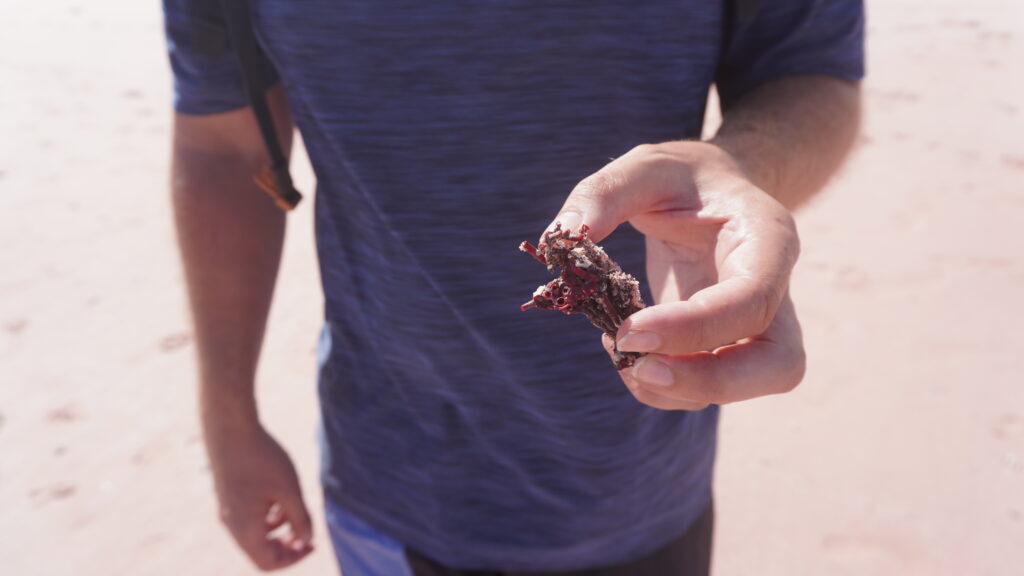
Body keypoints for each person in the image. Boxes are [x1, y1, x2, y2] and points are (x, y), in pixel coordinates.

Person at [163, 1, 863, 574]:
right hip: (394, 476)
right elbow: (223, 147)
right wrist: (227, 416)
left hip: (640, 474)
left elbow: (810, 68)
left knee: (582, 285)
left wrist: (739, 167)